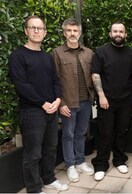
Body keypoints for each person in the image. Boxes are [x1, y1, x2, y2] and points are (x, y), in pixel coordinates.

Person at [8, 15, 68, 193]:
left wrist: (57, 100)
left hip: (51, 109)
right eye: (32, 28)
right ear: (26, 31)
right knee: (33, 153)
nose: (36, 31)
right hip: (32, 112)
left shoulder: (47, 57)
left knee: (50, 148)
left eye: (39, 28)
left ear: (45, 32)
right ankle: (34, 189)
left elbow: (56, 81)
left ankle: (49, 179)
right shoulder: (18, 56)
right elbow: (21, 85)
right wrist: (42, 103)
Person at [90, 21, 132, 181]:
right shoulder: (101, 52)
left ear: (125, 34)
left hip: (125, 101)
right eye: (115, 31)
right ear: (110, 33)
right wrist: (101, 96)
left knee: (121, 132)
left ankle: (119, 160)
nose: (118, 34)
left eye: (121, 31)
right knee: (105, 133)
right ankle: (101, 164)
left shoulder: (131, 53)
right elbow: (95, 75)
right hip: (107, 101)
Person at [52, 18, 95, 182]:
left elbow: (93, 75)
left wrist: (94, 98)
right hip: (68, 102)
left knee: (81, 133)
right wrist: (60, 103)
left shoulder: (88, 52)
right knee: (68, 134)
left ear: (80, 33)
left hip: (86, 101)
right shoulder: (57, 53)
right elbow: (53, 79)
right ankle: (70, 165)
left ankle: (80, 161)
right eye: (69, 30)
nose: (72, 34)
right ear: (64, 33)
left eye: (75, 31)